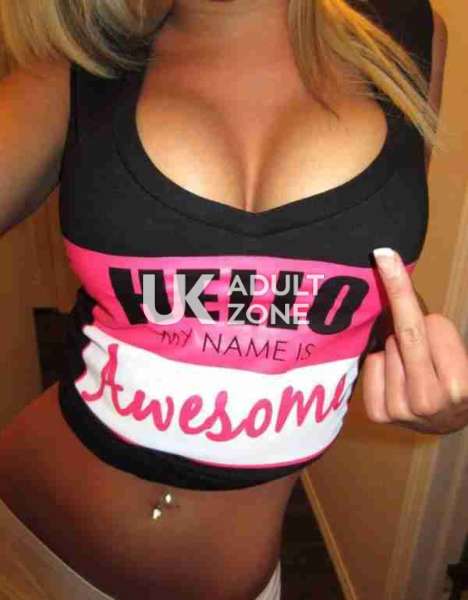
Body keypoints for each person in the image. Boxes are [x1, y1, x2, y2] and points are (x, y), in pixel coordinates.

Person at [0, 1, 466, 599]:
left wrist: (437, 391)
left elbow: (372, 273)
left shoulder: (410, 32)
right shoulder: (90, 50)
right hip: (27, 546)